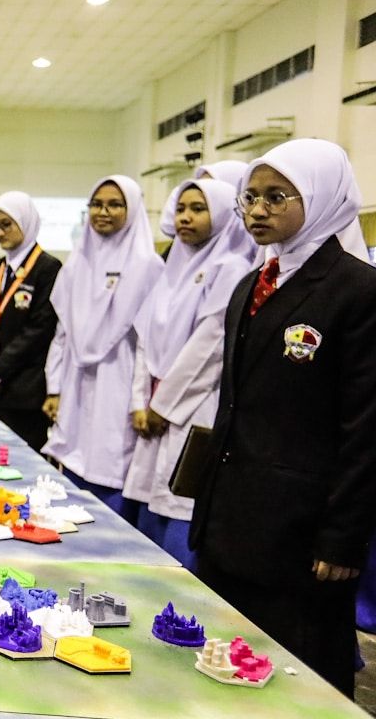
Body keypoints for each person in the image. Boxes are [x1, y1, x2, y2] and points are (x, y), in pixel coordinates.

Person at [190, 139, 376, 697]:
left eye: (276, 197)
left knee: (299, 681)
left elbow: (365, 429)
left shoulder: (358, 290)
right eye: (250, 197)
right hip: (232, 519)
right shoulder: (251, 285)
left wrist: (342, 538)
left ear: (320, 199)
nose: (257, 210)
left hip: (301, 534)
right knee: (223, 669)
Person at [124, 178, 253, 568]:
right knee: (148, 515)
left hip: (193, 405)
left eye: (198, 209)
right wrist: (139, 401)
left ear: (222, 213)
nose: (185, 217)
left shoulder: (231, 267)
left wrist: (163, 406)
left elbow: (210, 345)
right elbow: (145, 335)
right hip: (153, 404)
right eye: (180, 208)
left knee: (180, 508)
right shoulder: (173, 265)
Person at [42, 175, 162, 518]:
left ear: (132, 209)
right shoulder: (77, 263)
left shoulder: (148, 266)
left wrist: (139, 400)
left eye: (114, 204)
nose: (103, 212)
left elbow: (148, 342)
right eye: (96, 204)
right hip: (76, 379)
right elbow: (62, 332)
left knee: (111, 462)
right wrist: (54, 387)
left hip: (119, 378)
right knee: (73, 460)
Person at [0, 191, 61, 452]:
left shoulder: (48, 269)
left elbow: (39, 330)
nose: (0, 232)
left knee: (21, 462)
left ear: (25, 221)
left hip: (24, 389)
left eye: (6, 225)